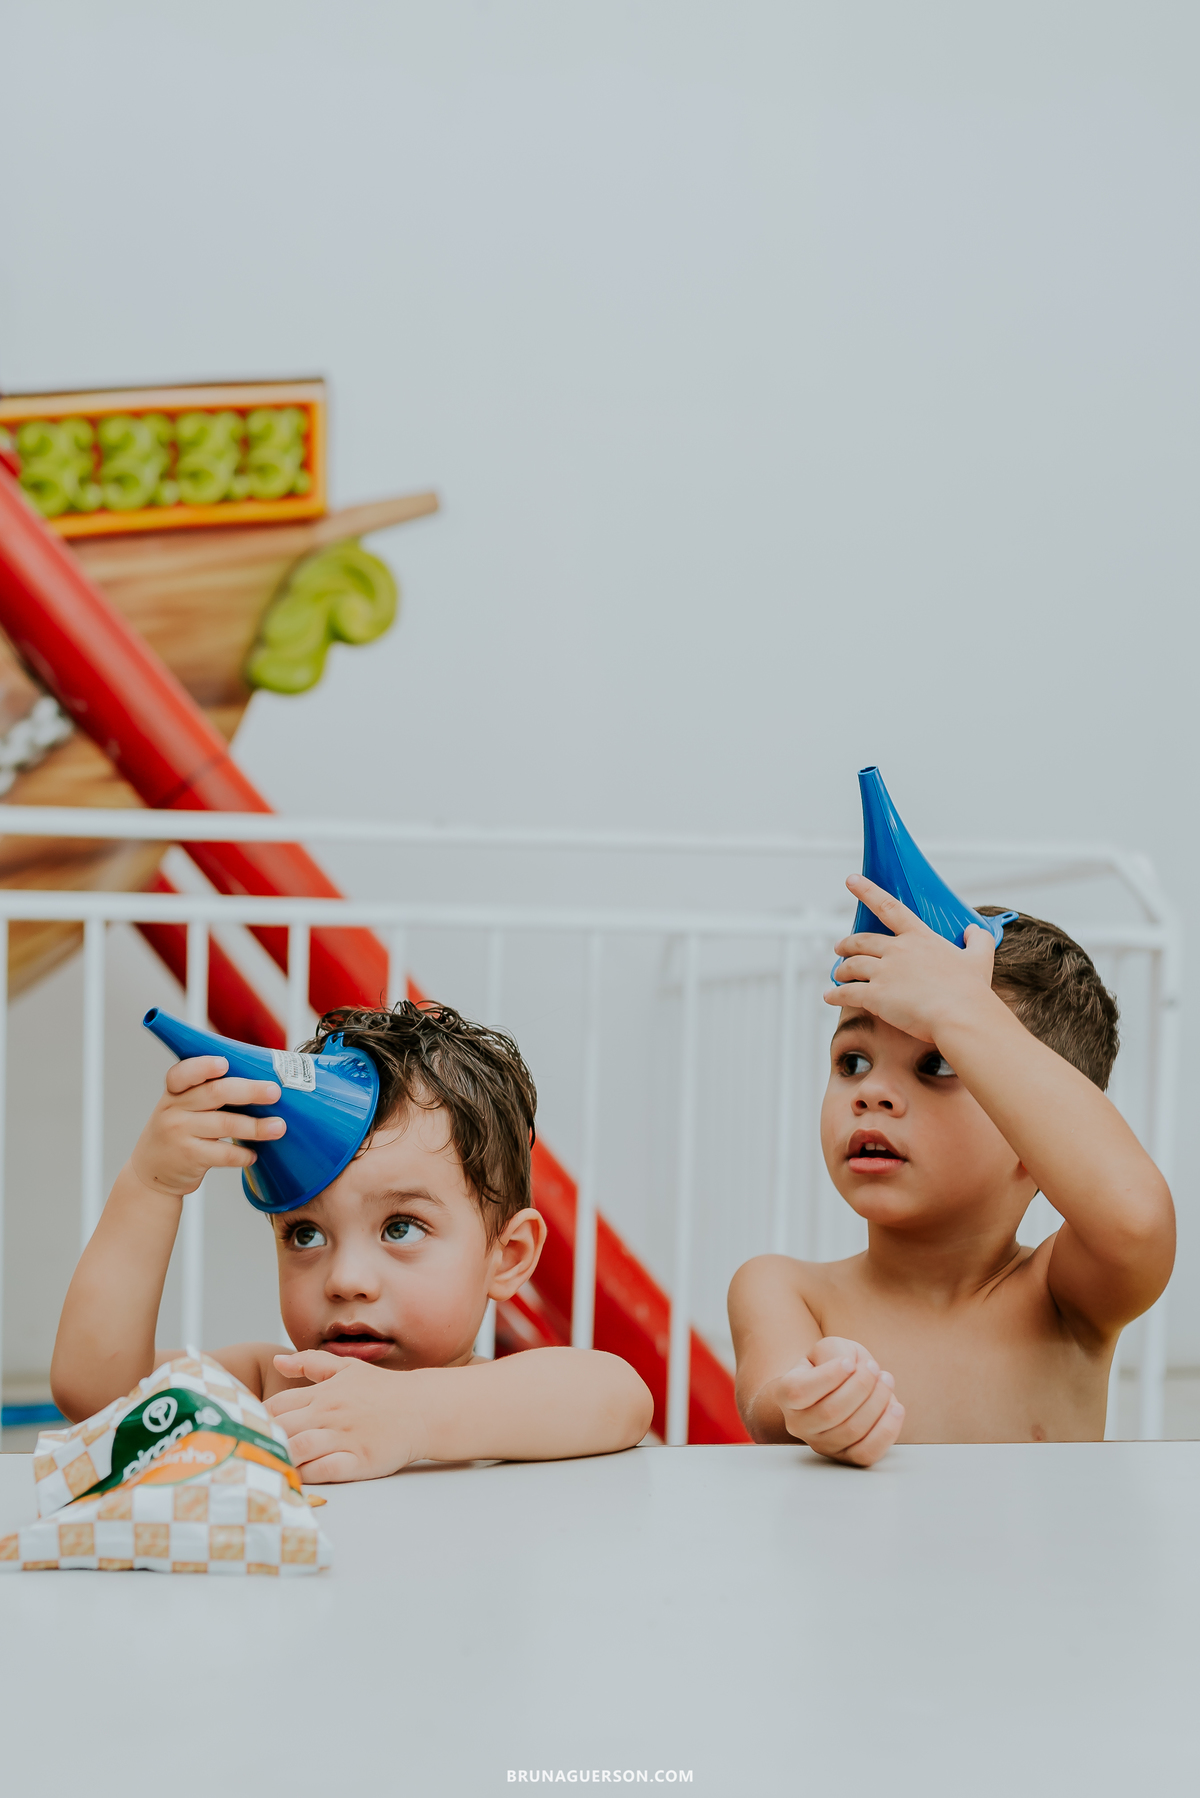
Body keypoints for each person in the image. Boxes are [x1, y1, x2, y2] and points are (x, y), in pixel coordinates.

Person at [52, 1001, 652, 1480]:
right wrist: (151, 1187)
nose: (345, 1281)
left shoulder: (513, 1407)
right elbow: (97, 1396)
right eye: (306, 1234)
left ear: (508, 1256)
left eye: (400, 1228)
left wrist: (411, 1416)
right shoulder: (275, 1388)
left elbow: (621, 1396)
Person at [728, 874, 1175, 1467]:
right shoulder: (786, 1290)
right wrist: (808, 1403)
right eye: (853, 1061)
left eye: (937, 1063)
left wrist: (962, 1012)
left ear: (1034, 1134)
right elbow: (769, 1404)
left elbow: (1137, 1221)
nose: (872, 1092)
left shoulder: (1063, 1297)